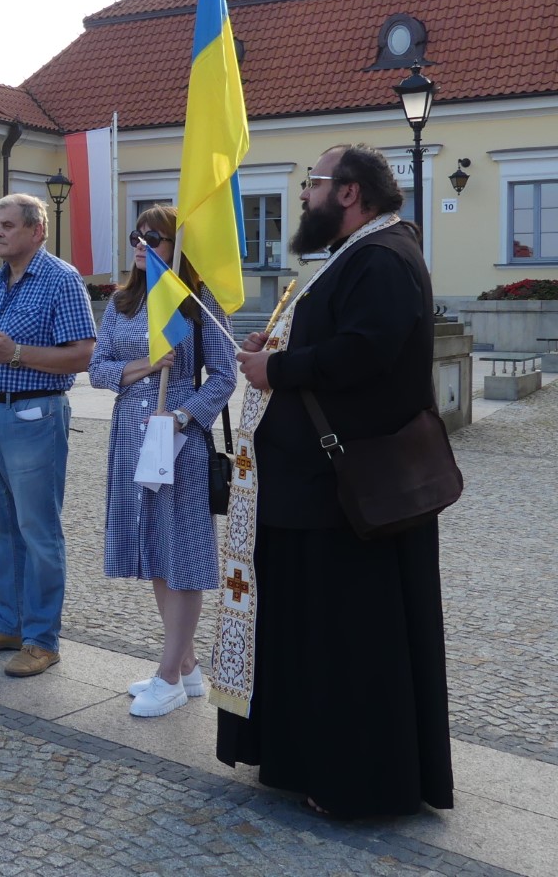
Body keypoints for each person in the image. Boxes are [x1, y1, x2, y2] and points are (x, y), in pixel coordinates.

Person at [216, 143, 454, 818]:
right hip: (314, 490)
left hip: (345, 494)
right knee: (316, 633)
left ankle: (355, 781)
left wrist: (278, 370)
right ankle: (303, 761)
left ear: (349, 192)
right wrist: (275, 351)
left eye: (312, 182)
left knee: (350, 641)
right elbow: (334, 342)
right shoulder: (356, 254)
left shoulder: (383, 257)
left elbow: (364, 353)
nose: (303, 195)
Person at [88, 205, 235, 716]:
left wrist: (183, 416)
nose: (142, 244)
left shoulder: (198, 303)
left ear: (178, 246)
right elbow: (98, 370)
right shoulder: (122, 301)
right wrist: (146, 364)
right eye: (138, 235)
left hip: (179, 441)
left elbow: (224, 376)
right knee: (155, 551)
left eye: (155, 237)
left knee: (183, 557)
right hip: (131, 437)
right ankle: (188, 668)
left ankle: (169, 676)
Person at [0, 194, 96, 677]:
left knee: (38, 529)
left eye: (8, 225)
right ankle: (8, 624)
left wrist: (17, 354)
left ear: (37, 231)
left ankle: (41, 639)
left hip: (33, 413)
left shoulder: (62, 279)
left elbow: (84, 354)